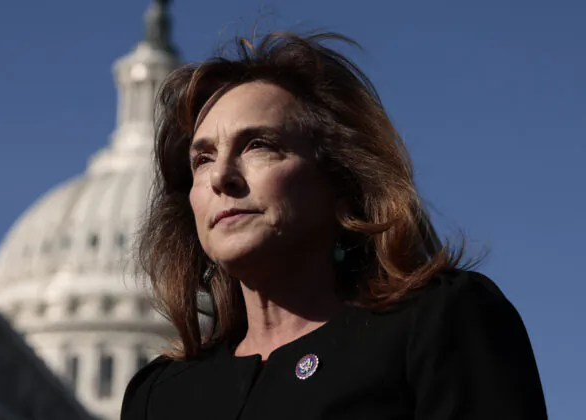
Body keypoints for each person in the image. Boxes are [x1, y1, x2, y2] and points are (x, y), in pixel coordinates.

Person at [122, 31, 547, 420]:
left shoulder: (439, 323)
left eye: (259, 145)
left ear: (342, 180)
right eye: (202, 159)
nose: (220, 177)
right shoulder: (159, 396)